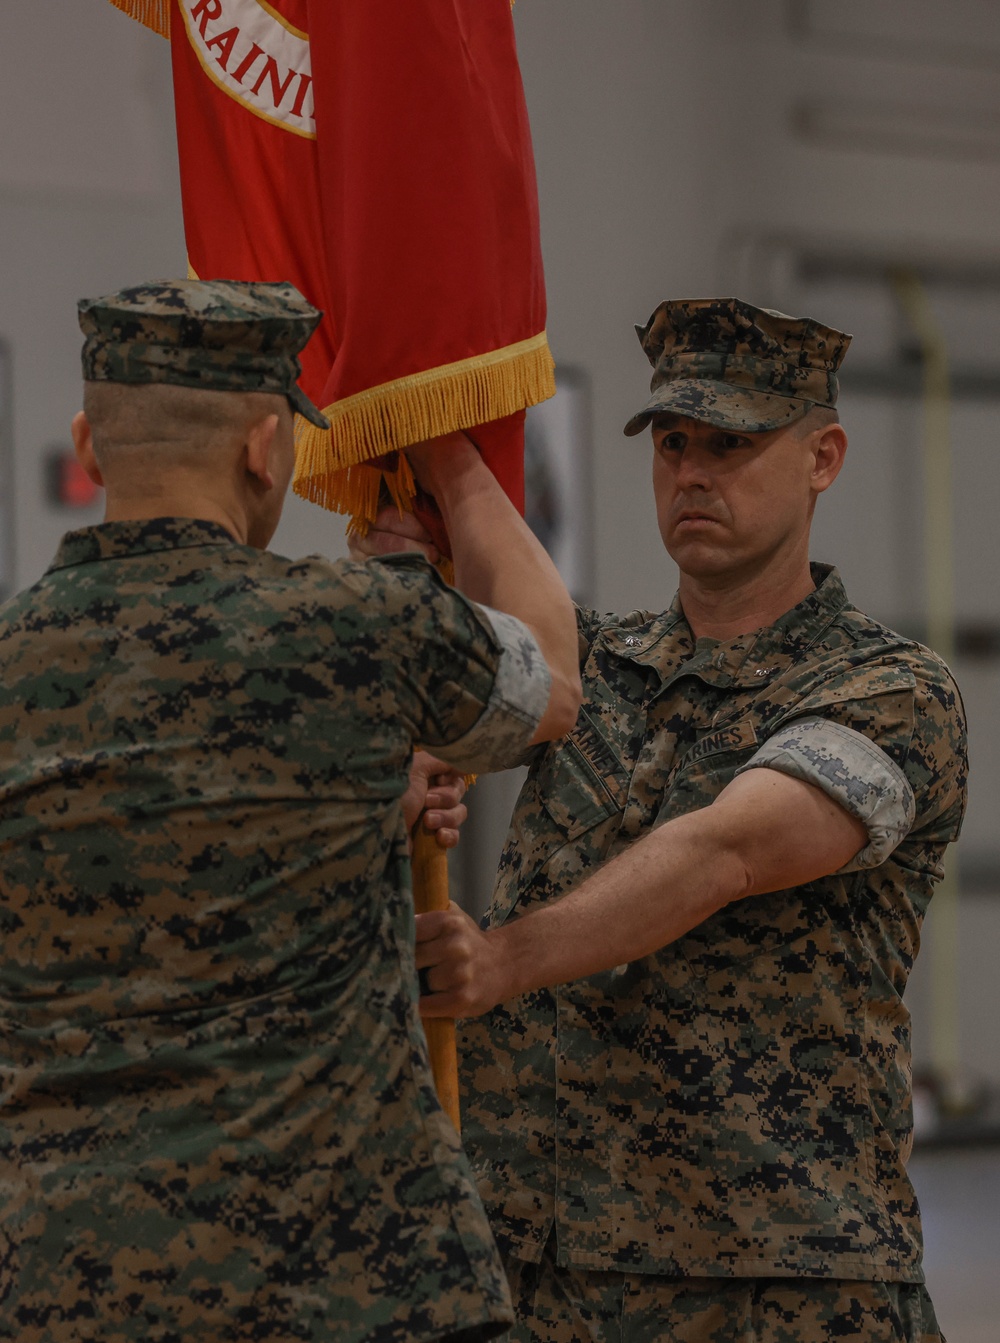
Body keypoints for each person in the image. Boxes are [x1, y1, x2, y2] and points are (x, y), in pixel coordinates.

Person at [353, 299, 968, 1342]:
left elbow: (725, 851)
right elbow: (453, 673)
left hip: (776, 1281)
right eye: (674, 443)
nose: (691, 472)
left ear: (823, 457)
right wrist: (412, 591)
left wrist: (498, 960)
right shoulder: (587, 664)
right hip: (543, 1270)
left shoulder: (892, 689)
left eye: (731, 443)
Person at [0, 278, 583, 1343]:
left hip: (64, 1279)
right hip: (349, 1278)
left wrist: (366, 788)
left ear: (89, 444)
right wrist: (448, 451)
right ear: (267, 447)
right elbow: (549, 678)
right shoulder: (353, 630)